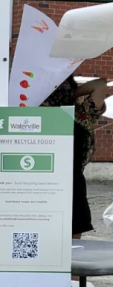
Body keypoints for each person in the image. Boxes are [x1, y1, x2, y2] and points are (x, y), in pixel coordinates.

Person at [41, 75, 110, 238]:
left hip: (72, 183)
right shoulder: (31, 113)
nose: (58, 93)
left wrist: (71, 95)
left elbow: (100, 84)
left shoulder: (80, 114)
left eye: (63, 88)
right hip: (41, 183)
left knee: (73, 243)